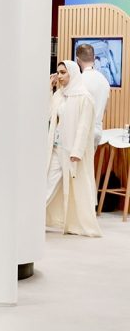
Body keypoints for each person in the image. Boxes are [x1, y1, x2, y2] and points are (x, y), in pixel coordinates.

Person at [46, 60, 101, 237]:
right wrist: (50, 89)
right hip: (56, 148)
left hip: (71, 151)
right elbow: (48, 114)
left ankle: (80, 223)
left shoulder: (85, 98)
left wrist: (77, 151)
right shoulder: (60, 95)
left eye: (63, 73)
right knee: (48, 183)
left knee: (78, 188)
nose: (60, 76)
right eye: (58, 73)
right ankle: (34, 217)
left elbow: (84, 127)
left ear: (73, 73)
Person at [75, 44, 110, 148]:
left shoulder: (78, 81)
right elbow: (105, 109)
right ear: (94, 58)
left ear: (77, 60)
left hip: (81, 132)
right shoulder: (104, 81)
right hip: (97, 132)